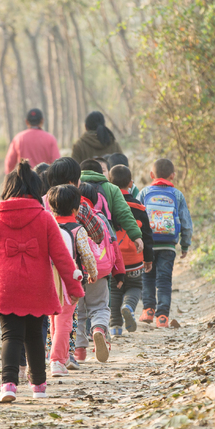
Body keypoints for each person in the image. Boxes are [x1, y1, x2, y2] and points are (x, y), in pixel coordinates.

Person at [0, 161, 84, 403]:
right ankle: (39, 386)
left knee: (10, 335)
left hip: (6, 287)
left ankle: (8, 385)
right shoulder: (45, 218)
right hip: (38, 286)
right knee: (35, 336)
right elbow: (62, 257)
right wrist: (74, 287)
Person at [47, 157, 104, 370]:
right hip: (69, 280)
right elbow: (87, 254)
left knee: (53, 321)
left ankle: (57, 357)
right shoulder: (78, 229)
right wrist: (93, 272)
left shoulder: (48, 226)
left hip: (48, 279)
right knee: (65, 320)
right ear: (75, 209)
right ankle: (57, 360)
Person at [138, 158, 193, 329]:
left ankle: (148, 309)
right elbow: (186, 223)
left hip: (148, 244)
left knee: (147, 277)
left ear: (151, 175)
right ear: (173, 176)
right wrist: (185, 245)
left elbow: (136, 217)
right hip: (168, 245)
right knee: (164, 281)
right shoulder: (177, 195)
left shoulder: (145, 193)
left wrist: (137, 242)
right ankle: (162, 317)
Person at [75, 182, 125, 364]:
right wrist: (119, 271)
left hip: (75, 272)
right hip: (100, 270)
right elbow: (113, 245)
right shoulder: (100, 217)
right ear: (96, 200)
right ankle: (98, 330)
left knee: (78, 312)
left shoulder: (70, 213)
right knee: (100, 307)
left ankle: (79, 351)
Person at [108, 165, 153, 336]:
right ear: (131, 183)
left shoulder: (110, 206)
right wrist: (148, 258)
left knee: (114, 289)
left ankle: (115, 326)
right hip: (135, 256)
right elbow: (147, 235)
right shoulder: (139, 207)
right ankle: (129, 306)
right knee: (135, 286)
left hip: (114, 258)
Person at [79, 158, 144, 254]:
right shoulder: (111, 188)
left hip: (80, 238)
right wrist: (136, 236)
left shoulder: (74, 185)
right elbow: (124, 213)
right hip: (106, 240)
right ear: (101, 173)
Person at [4, 108, 60, 174]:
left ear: (26, 122)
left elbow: (9, 163)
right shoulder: (50, 138)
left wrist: (10, 180)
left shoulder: (18, 138)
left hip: (24, 181)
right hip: (44, 180)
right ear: (42, 121)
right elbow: (57, 164)